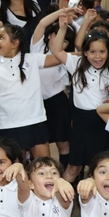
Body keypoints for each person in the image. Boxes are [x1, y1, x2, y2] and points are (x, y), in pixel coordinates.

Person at [50, 20, 109, 183]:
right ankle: (59, 199)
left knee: (102, 167)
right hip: (81, 122)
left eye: (102, 51)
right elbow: (57, 50)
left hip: (102, 123)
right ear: (85, 52)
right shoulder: (77, 64)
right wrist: (63, 28)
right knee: (74, 167)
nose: (98, 56)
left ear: (108, 52)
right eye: (92, 52)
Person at [0, 24, 62, 158]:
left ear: (14, 43)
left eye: (1, 38)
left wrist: (85, 54)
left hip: (36, 121)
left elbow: (59, 58)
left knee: (43, 167)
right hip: (8, 125)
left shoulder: (32, 59)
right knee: (14, 173)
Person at [30, 9, 77, 170]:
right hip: (36, 103)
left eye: (65, 41)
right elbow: (42, 23)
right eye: (57, 35)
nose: (60, 41)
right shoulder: (37, 48)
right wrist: (63, 12)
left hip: (57, 102)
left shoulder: (65, 58)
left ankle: (68, 180)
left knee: (63, 143)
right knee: (38, 144)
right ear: (50, 35)